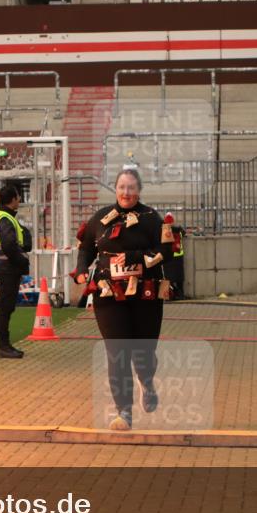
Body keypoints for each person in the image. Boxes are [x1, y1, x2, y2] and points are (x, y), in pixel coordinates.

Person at [71, 168, 174, 430]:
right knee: (117, 352)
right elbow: (85, 249)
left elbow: (165, 251)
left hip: (145, 294)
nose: (126, 192)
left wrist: (135, 258)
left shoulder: (151, 218)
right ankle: (124, 412)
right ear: (115, 189)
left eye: (131, 188)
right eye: (121, 187)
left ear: (139, 190)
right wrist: (82, 270)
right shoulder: (101, 218)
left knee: (144, 350)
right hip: (108, 296)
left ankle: (147, 381)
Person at [0, 183, 32, 358]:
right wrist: (21, 261)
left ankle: (5, 345)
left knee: (7, 306)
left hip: (6, 268)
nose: (20, 200)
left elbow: (21, 243)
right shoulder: (5, 219)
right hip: (7, 268)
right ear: (13, 199)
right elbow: (9, 245)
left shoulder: (5, 218)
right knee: (6, 307)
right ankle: (3, 346)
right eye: (18, 197)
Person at [161, 211, 187, 300]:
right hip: (178, 257)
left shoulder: (163, 230)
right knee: (179, 277)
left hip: (167, 257)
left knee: (166, 277)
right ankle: (181, 295)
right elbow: (184, 233)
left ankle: (166, 296)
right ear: (173, 221)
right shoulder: (179, 230)